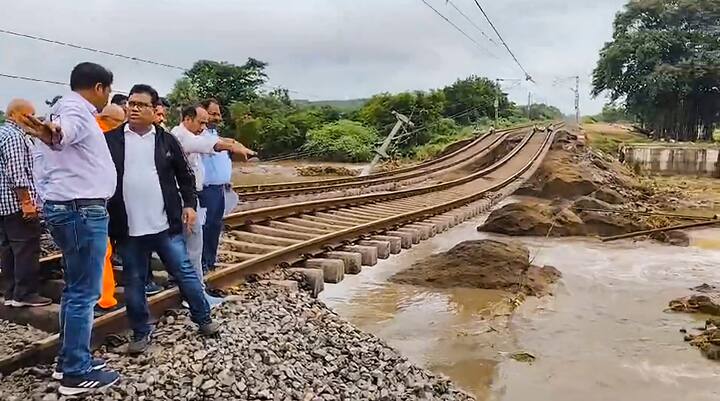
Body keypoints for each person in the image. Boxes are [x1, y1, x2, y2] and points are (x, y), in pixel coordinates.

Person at [24, 62, 120, 395]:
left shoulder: (66, 108)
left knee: (75, 290)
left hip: (71, 209)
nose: (106, 97)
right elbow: (63, 132)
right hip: (81, 210)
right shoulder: (75, 109)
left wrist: (53, 133)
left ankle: (69, 361)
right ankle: (76, 373)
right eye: (107, 90)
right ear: (99, 88)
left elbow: (59, 135)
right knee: (84, 294)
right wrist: (53, 133)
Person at [104, 84, 219, 355]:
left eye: (140, 105)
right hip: (128, 229)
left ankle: (204, 320)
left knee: (185, 273)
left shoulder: (166, 140)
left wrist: (189, 205)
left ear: (154, 110)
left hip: (164, 226)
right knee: (134, 283)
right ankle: (141, 333)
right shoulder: (111, 140)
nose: (133, 108)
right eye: (130, 103)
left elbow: (185, 176)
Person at [171, 105, 253, 292]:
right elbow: (208, 145)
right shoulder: (181, 136)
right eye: (201, 122)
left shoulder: (194, 134)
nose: (203, 128)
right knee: (193, 243)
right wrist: (232, 146)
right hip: (188, 196)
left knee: (195, 239)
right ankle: (193, 289)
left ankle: (191, 283)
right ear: (187, 119)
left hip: (193, 195)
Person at [0, 99, 51, 308]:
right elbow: (17, 171)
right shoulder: (15, 136)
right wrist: (27, 202)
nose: (33, 120)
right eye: (30, 115)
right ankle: (25, 294)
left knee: (8, 249)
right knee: (26, 248)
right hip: (17, 203)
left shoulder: (3, 133)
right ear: (18, 115)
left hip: (4, 204)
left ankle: (11, 292)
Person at [94, 104, 126, 314]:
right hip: (95, 203)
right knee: (101, 252)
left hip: (91, 202)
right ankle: (104, 299)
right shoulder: (101, 137)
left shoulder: (88, 131)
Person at [199, 98, 233, 272]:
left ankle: (209, 261)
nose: (217, 118)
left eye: (219, 114)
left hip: (220, 189)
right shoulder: (200, 135)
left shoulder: (214, 135)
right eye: (213, 114)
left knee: (214, 226)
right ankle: (202, 262)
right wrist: (235, 146)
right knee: (206, 226)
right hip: (206, 189)